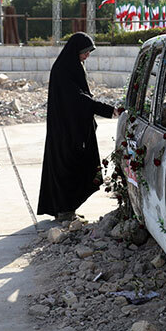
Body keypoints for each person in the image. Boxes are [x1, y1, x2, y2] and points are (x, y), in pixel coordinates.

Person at [37, 33, 121, 223]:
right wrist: (107, 110)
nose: (87, 56)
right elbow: (78, 100)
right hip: (65, 131)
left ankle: (67, 209)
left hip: (72, 128)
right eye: (85, 52)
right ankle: (64, 210)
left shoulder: (72, 66)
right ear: (75, 51)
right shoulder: (63, 70)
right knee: (67, 167)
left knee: (76, 166)